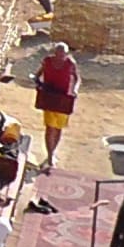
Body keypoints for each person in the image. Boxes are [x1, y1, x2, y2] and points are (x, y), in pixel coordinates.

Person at [34, 42, 80, 170]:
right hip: (49, 97)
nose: (60, 56)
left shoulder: (70, 64)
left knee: (58, 128)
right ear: (55, 53)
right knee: (50, 128)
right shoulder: (47, 61)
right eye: (58, 53)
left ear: (66, 54)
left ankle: (52, 152)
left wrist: (75, 89)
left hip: (63, 99)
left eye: (63, 54)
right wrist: (38, 83)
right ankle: (49, 155)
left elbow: (77, 78)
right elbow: (38, 75)